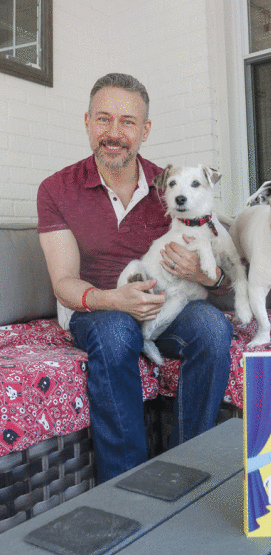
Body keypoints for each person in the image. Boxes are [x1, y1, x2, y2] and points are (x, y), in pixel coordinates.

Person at [37, 73, 233, 483]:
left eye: (127, 122)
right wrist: (115, 300)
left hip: (165, 303)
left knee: (214, 328)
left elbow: (223, 277)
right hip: (95, 308)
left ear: (144, 130)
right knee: (116, 332)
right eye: (104, 119)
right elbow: (64, 282)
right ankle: (125, 487)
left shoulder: (175, 184)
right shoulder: (57, 189)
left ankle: (188, 471)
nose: (114, 133)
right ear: (87, 122)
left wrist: (205, 276)